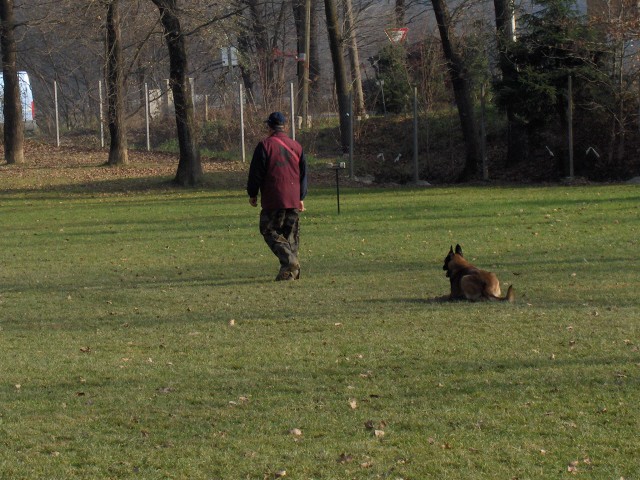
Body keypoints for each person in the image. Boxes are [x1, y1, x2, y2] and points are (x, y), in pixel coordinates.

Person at [247, 112, 307, 281]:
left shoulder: (265, 146)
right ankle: (289, 273)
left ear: (269, 127)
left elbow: (256, 173)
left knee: (268, 229)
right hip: (294, 197)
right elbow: (303, 174)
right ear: (284, 126)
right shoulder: (297, 146)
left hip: (274, 197)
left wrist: (252, 193)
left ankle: (290, 262)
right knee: (290, 235)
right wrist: (301, 197)